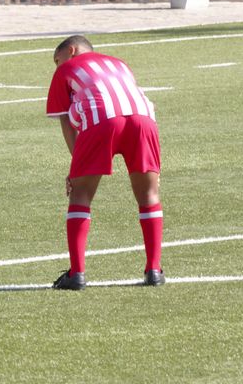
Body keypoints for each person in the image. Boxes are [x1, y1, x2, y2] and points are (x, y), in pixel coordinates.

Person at [45, 35, 165, 290]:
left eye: (57, 59)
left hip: (102, 120)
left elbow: (66, 122)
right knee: (149, 194)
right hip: (144, 118)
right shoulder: (119, 63)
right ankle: (154, 270)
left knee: (80, 196)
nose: (57, 65)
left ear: (72, 50)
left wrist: (76, 166)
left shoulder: (66, 70)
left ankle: (77, 273)